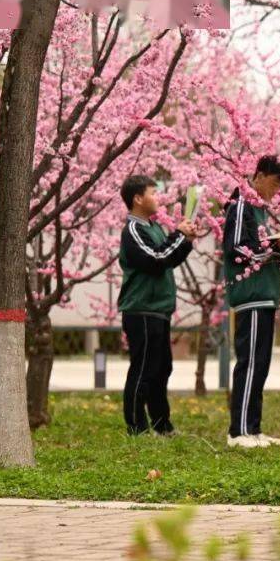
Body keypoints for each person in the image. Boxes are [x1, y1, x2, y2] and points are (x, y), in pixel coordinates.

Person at [223, 155, 280, 449]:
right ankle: (239, 431)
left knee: (260, 365)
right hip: (250, 296)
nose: (275, 191)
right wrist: (274, 249)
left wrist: (279, 249)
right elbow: (236, 249)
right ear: (260, 176)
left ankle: (253, 428)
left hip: (265, 295)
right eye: (274, 184)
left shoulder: (260, 209)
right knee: (250, 363)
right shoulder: (241, 204)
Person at [118, 174, 196, 436]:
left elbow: (168, 258)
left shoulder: (154, 227)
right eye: (153, 192)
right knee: (143, 369)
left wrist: (185, 241)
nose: (158, 197)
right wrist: (178, 234)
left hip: (159, 309)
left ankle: (162, 424)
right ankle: (136, 427)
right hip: (141, 309)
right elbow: (155, 259)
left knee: (162, 368)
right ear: (138, 199)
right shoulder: (133, 230)